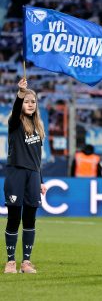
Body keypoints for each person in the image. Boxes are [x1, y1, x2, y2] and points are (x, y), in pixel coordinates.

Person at [3, 78, 47, 274]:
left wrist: (41, 181)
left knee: (30, 219)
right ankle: (10, 262)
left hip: (33, 176)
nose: (30, 104)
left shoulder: (38, 127)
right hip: (16, 174)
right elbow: (14, 111)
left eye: (33, 101)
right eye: (26, 101)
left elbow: (37, 157)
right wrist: (20, 92)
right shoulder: (14, 124)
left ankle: (26, 262)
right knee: (14, 218)